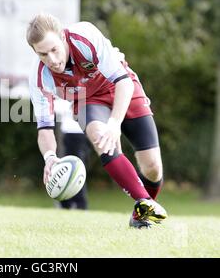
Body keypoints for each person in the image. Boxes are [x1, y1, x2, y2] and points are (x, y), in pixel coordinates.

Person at [27, 13, 167, 228]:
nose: (52, 60)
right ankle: (145, 203)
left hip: (120, 87)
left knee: (153, 167)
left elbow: (123, 82)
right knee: (100, 136)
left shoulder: (84, 36)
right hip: (87, 100)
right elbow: (45, 128)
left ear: (63, 37)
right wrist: (50, 157)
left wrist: (114, 122)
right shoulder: (40, 77)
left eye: (54, 50)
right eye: (43, 54)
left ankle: (140, 215)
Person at [55, 98, 90, 210]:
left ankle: (77, 202)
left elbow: (58, 108)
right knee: (71, 169)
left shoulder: (75, 96)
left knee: (73, 170)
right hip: (73, 134)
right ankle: (69, 202)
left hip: (74, 134)